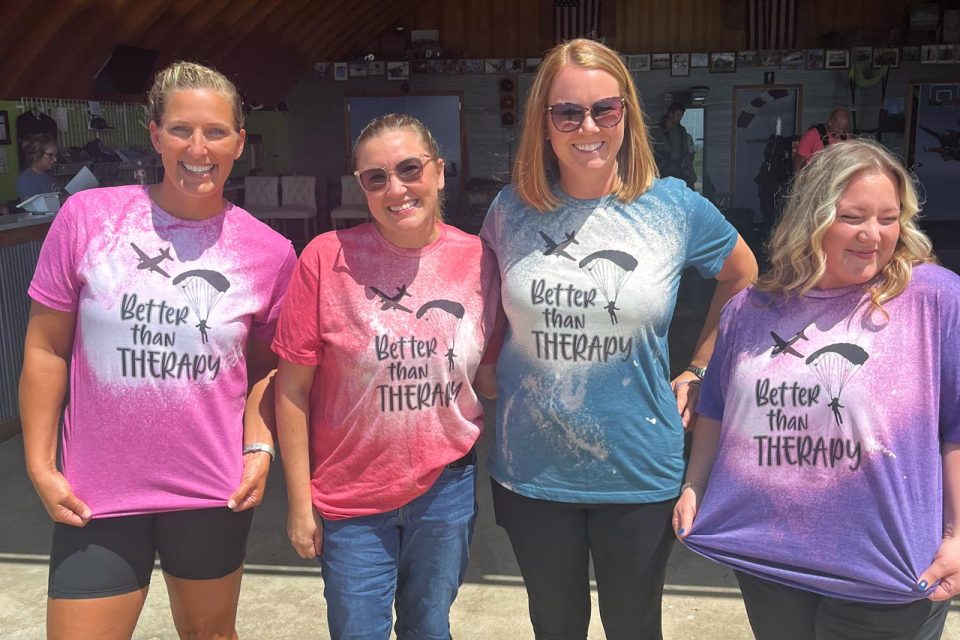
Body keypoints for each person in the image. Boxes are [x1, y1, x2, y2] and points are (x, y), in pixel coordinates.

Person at [479, 39, 757, 639]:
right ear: (544, 124)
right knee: (555, 626)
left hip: (637, 466)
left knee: (634, 627)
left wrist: (702, 366)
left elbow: (742, 273)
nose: (588, 127)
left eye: (605, 110)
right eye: (568, 112)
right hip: (531, 467)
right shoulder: (510, 212)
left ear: (626, 116)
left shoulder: (670, 208)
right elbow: (486, 307)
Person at [20, 61, 297, 639]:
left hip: (209, 488)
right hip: (94, 491)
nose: (199, 147)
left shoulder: (268, 253)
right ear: (155, 135)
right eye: (181, 129)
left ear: (240, 143)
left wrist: (259, 449)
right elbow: (46, 349)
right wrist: (41, 465)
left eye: (217, 132)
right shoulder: (87, 219)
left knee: (210, 634)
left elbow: (271, 369)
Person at [674, 139, 960, 640]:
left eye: (888, 218)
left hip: (885, 572)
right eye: (853, 217)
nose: (873, 235)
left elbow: (956, 425)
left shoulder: (934, 301)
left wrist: (959, 534)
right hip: (769, 558)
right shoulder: (751, 308)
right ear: (814, 217)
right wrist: (695, 484)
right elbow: (717, 407)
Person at [273, 113, 500, 639]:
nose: (396, 188)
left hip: (445, 487)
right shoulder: (325, 260)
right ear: (362, 187)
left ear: (439, 173)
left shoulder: (478, 260)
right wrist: (299, 503)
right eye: (376, 177)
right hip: (350, 494)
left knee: (429, 626)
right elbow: (292, 389)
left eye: (409, 169)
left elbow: (487, 376)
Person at [652, 100, 696, 189]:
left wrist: (690, 171)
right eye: (678, 115)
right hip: (663, 170)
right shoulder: (657, 131)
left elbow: (686, 152)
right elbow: (651, 152)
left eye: (681, 116)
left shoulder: (681, 131)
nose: (680, 118)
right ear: (670, 114)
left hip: (680, 170)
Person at [18, 133, 59, 201]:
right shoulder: (26, 179)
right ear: (37, 154)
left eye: (55, 155)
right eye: (50, 155)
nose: (55, 159)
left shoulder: (50, 174)